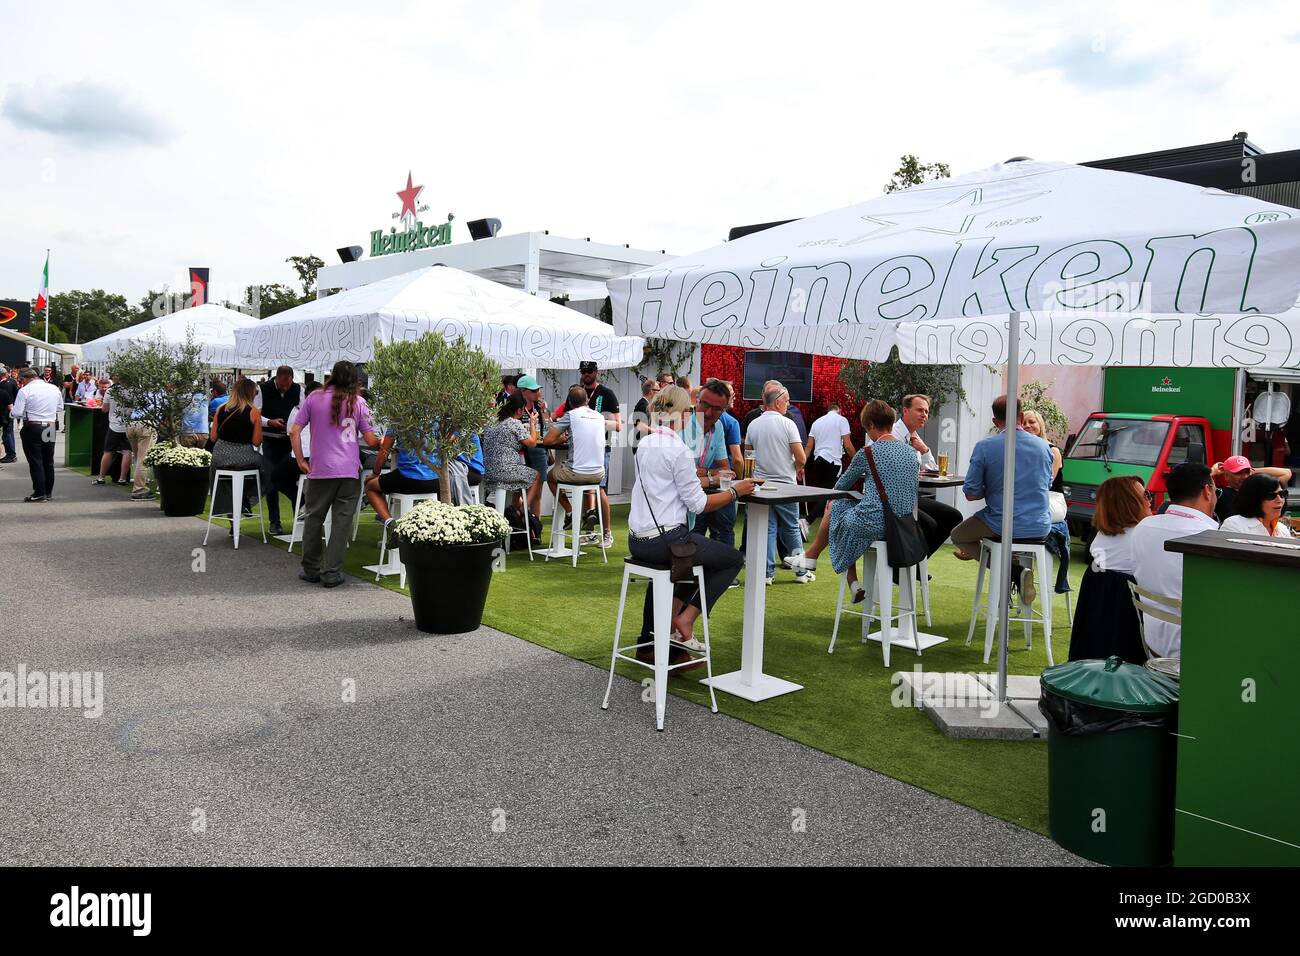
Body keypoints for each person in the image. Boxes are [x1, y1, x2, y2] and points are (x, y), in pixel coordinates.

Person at [629, 385, 755, 667]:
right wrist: (737, 492)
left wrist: (711, 480)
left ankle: (669, 633)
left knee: (696, 559)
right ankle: (684, 620)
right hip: (667, 539)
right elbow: (698, 504)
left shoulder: (646, 443)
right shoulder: (679, 449)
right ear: (683, 413)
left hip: (638, 539)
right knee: (731, 559)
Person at [784, 400, 918, 598]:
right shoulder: (910, 452)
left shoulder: (868, 452)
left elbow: (840, 486)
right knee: (844, 511)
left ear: (871, 425)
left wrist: (832, 501)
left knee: (837, 506)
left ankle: (820, 561)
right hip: (903, 524)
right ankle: (842, 575)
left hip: (875, 523)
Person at [951, 394, 1054, 603]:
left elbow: (971, 493)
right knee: (994, 528)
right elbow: (1045, 484)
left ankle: (1014, 572)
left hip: (1002, 523)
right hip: (1040, 525)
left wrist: (990, 489)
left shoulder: (986, 446)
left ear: (994, 421)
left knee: (958, 536)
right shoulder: (1045, 447)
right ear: (1021, 416)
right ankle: (1014, 566)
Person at [291, 361, 379, 587]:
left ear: (332, 376)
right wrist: (387, 443)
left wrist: (301, 459)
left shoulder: (314, 398)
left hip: (320, 470)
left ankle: (310, 569)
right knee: (341, 524)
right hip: (349, 471)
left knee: (313, 518)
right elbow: (370, 440)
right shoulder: (359, 403)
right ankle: (332, 572)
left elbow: (295, 430)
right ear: (354, 380)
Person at [1131, 462, 1221, 658]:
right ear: (1207, 491)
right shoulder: (1210, 536)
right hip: (1199, 645)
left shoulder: (1144, 526)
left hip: (1152, 640)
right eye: (1216, 491)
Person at [1068, 475, 1151, 663]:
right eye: (1145, 495)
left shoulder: (1101, 536)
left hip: (1096, 630)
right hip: (1132, 630)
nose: (1149, 500)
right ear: (1129, 502)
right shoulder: (1144, 535)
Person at [746, 381, 810, 584]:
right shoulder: (787, 423)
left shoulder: (753, 424)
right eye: (787, 401)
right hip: (785, 485)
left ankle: (767, 573)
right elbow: (801, 458)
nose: (788, 405)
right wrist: (795, 466)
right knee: (791, 527)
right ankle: (801, 572)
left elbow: (748, 454)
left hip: (761, 484)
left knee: (769, 528)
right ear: (778, 402)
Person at [894, 394, 963, 560]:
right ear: (905, 411)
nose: (924, 414)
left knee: (953, 517)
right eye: (919, 410)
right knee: (929, 524)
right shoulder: (893, 435)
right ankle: (905, 565)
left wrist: (924, 450)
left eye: (926, 411)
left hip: (910, 497)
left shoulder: (914, 436)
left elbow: (933, 469)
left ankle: (917, 562)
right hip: (894, 499)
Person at [542, 385, 609, 545]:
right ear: (587, 400)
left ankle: (571, 512)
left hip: (576, 472)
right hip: (599, 473)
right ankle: (590, 512)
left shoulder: (570, 415)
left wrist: (563, 439)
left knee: (550, 477)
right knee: (586, 480)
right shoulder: (599, 417)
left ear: (570, 403)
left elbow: (547, 440)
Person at [209, 378, 276, 526]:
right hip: (243, 455)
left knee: (227, 484)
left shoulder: (221, 409)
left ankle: (233, 517)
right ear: (250, 393)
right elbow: (256, 442)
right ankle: (246, 498)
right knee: (270, 471)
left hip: (220, 455)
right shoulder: (253, 412)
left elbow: (213, 437)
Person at [1022, 407, 1072, 599]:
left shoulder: (1053, 450)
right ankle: (1020, 572)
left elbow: (1046, 483)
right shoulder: (1020, 450)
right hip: (1031, 502)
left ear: (1040, 425)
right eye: (1024, 422)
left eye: (1031, 422)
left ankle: (1019, 571)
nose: (1027, 426)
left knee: (1016, 514)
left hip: (1052, 502)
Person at [482, 393, 542, 538]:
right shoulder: (513, 423)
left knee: (519, 480)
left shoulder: (492, 421)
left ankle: (514, 509)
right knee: (536, 476)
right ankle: (523, 510)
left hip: (488, 470)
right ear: (520, 410)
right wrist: (533, 424)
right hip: (505, 470)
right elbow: (532, 443)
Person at [686, 378, 738, 548]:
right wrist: (713, 475)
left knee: (726, 526)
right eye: (705, 405)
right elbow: (684, 474)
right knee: (695, 531)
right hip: (685, 498)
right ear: (697, 401)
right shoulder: (683, 424)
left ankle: (724, 571)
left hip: (704, 491)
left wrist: (706, 472)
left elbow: (724, 468)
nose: (708, 412)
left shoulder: (719, 428)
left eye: (716, 409)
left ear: (724, 410)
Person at [364, 430, 441, 536]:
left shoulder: (397, 419)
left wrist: (375, 473)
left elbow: (384, 451)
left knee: (370, 487)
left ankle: (391, 524)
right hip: (436, 480)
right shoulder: (439, 416)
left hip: (408, 478)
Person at [270, 381, 322, 528]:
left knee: (276, 477)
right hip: (322, 456)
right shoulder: (329, 409)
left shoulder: (298, 408)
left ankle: (303, 503)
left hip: (303, 454)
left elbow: (291, 432)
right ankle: (303, 505)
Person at [577, 361, 620, 535]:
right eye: (584, 371)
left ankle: (607, 532)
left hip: (601, 447)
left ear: (596, 372)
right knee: (584, 488)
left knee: (599, 488)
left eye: (590, 371)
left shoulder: (606, 393)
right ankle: (590, 532)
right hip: (581, 448)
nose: (586, 374)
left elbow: (618, 425)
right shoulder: (577, 393)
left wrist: (595, 420)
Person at [12, 367, 63, 501]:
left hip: (33, 426)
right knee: (48, 460)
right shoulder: (53, 388)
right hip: (50, 425)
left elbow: (16, 412)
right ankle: (48, 491)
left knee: (36, 460)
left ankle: (39, 492)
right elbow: (60, 407)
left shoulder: (24, 390)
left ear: (24, 379)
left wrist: (15, 412)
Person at [1206, 455, 1292, 522]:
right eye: (1239, 473)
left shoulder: (1257, 490)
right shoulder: (1221, 492)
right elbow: (1196, 487)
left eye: (1247, 472)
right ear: (1226, 476)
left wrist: (1252, 470)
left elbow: (1286, 473)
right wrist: (1212, 471)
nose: (1244, 477)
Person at [515, 374, 550, 533]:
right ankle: (517, 522)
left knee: (538, 492)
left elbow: (548, 430)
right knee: (518, 490)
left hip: (538, 450)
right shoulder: (516, 408)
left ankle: (536, 529)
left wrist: (544, 412)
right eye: (533, 390)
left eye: (538, 390)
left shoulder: (540, 407)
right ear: (523, 392)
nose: (538, 393)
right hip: (520, 452)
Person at [1221, 473, 1294, 538]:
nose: (1279, 500)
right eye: (1271, 496)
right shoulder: (1234, 525)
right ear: (1254, 499)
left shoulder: (1283, 529)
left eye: (1282, 494)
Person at [806, 402, 854, 489]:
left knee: (821, 492)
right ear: (839, 411)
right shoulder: (842, 420)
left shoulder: (816, 422)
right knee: (831, 493)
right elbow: (848, 446)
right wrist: (856, 459)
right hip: (833, 461)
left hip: (818, 461)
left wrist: (801, 465)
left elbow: (809, 446)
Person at [94, 380, 132, 486]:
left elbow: (105, 409)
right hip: (128, 425)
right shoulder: (134, 391)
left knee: (108, 451)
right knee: (127, 451)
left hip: (114, 425)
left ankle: (101, 477)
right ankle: (123, 478)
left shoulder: (110, 391)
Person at [631, 377, 660, 454]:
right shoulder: (643, 405)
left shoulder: (646, 404)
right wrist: (656, 431)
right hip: (641, 446)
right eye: (658, 390)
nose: (660, 393)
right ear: (651, 391)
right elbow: (640, 425)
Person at [0, 366, 18, 463]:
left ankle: (10, 455)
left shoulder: (3, 386)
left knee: (6, 435)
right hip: (10, 411)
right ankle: (12, 454)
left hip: (5, 412)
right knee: (9, 433)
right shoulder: (12, 382)